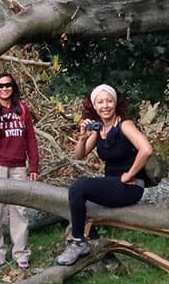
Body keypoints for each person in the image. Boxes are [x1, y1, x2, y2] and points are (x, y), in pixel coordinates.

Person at [58, 84, 154, 266]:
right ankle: (107, 259)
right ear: (94, 106)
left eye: (109, 101)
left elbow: (147, 149)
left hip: (130, 186)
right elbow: (79, 155)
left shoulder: (125, 125)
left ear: (115, 103)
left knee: (78, 188)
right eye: (100, 102)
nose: (105, 106)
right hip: (113, 185)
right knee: (79, 202)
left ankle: (78, 242)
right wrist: (83, 136)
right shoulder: (99, 129)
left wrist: (129, 174)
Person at [0, 73, 40, 268]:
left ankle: (21, 254)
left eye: (8, 85)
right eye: (0, 86)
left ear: (13, 87)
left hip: (17, 165)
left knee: (19, 210)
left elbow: (30, 137)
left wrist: (34, 165)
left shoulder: (21, 109)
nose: (4, 89)